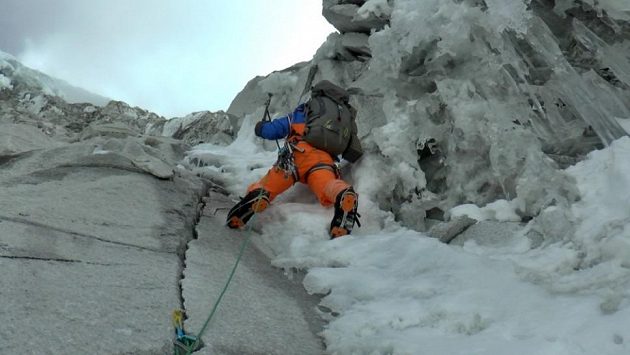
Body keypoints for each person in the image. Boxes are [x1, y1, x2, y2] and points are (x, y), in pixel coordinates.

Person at [226, 80, 361, 238]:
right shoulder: (344, 114)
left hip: (297, 154)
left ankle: (258, 196)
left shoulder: (307, 109)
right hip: (324, 160)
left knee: (269, 185)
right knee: (326, 186)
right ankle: (342, 193)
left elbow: (277, 129)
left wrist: (260, 127)